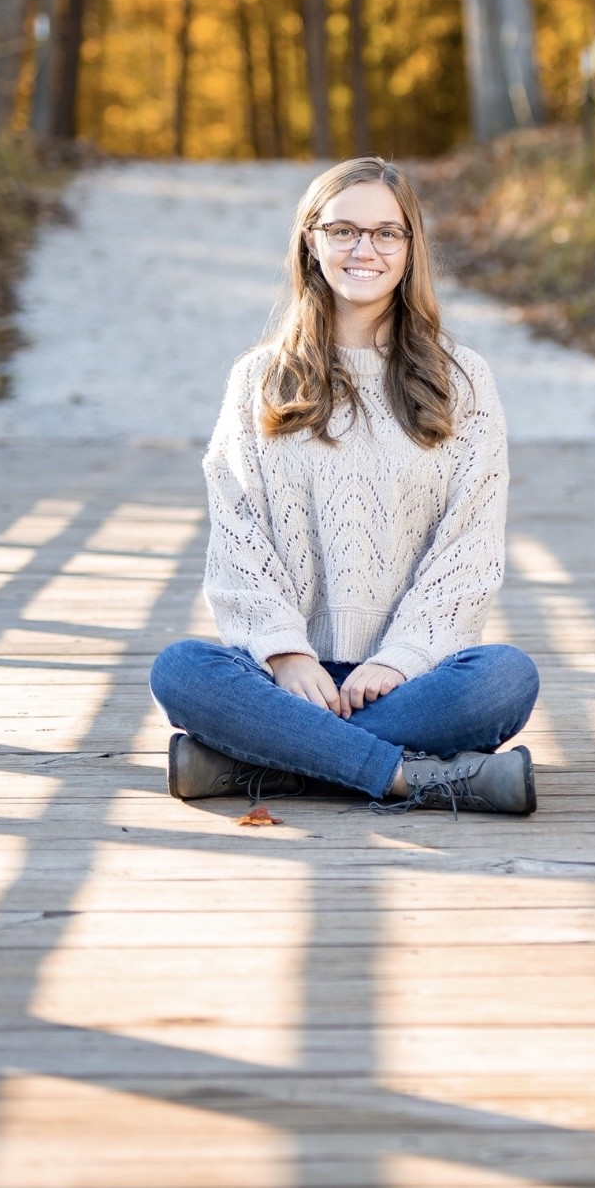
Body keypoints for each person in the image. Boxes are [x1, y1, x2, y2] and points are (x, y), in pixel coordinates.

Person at [150, 156, 540, 816]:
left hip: (408, 683)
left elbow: (470, 548)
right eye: (344, 230)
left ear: (411, 248)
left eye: (387, 233)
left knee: (505, 678)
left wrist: (401, 658)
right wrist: (286, 652)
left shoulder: (463, 379)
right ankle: (400, 776)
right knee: (182, 668)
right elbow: (237, 538)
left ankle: (263, 762)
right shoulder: (258, 379)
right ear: (312, 240)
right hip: (281, 681)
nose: (366, 248)